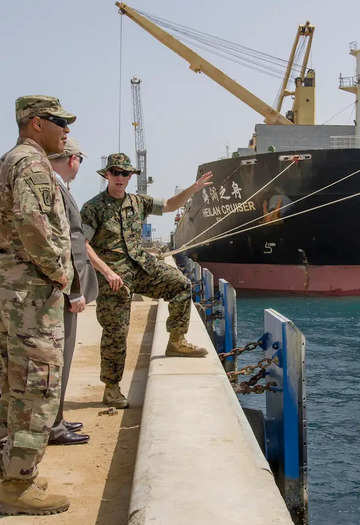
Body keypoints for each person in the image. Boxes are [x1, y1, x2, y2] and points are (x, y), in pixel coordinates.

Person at [81, 153, 213, 409]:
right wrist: (107, 272)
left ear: (131, 177)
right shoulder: (93, 207)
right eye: (116, 172)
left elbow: (171, 205)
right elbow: (82, 244)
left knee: (180, 285)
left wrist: (193, 189)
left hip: (141, 266)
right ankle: (111, 388)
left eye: (125, 173)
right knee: (116, 332)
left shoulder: (138, 202)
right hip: (115, 277)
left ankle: (176, 341)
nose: (120, 177)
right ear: (107, 175)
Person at [0, 95, 75, 515]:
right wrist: (57, 270)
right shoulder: (30, 163)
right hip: (31, 296)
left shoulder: (10, 160)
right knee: (36, 387)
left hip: (13, 291)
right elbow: (32, 221)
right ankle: (17, 484)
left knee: (12, 386)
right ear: (34, 124)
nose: (65, 129)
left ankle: (12, 470)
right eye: (58, 120)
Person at [47, 137, 97, 446]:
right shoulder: (53, 188)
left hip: (59, 289)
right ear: (73, 159)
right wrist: (75, 290)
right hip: (62, 292)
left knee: (60, 360)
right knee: (59, 359)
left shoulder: (57, 187)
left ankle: (57, 419)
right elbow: (65, 245)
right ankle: (52, 426)